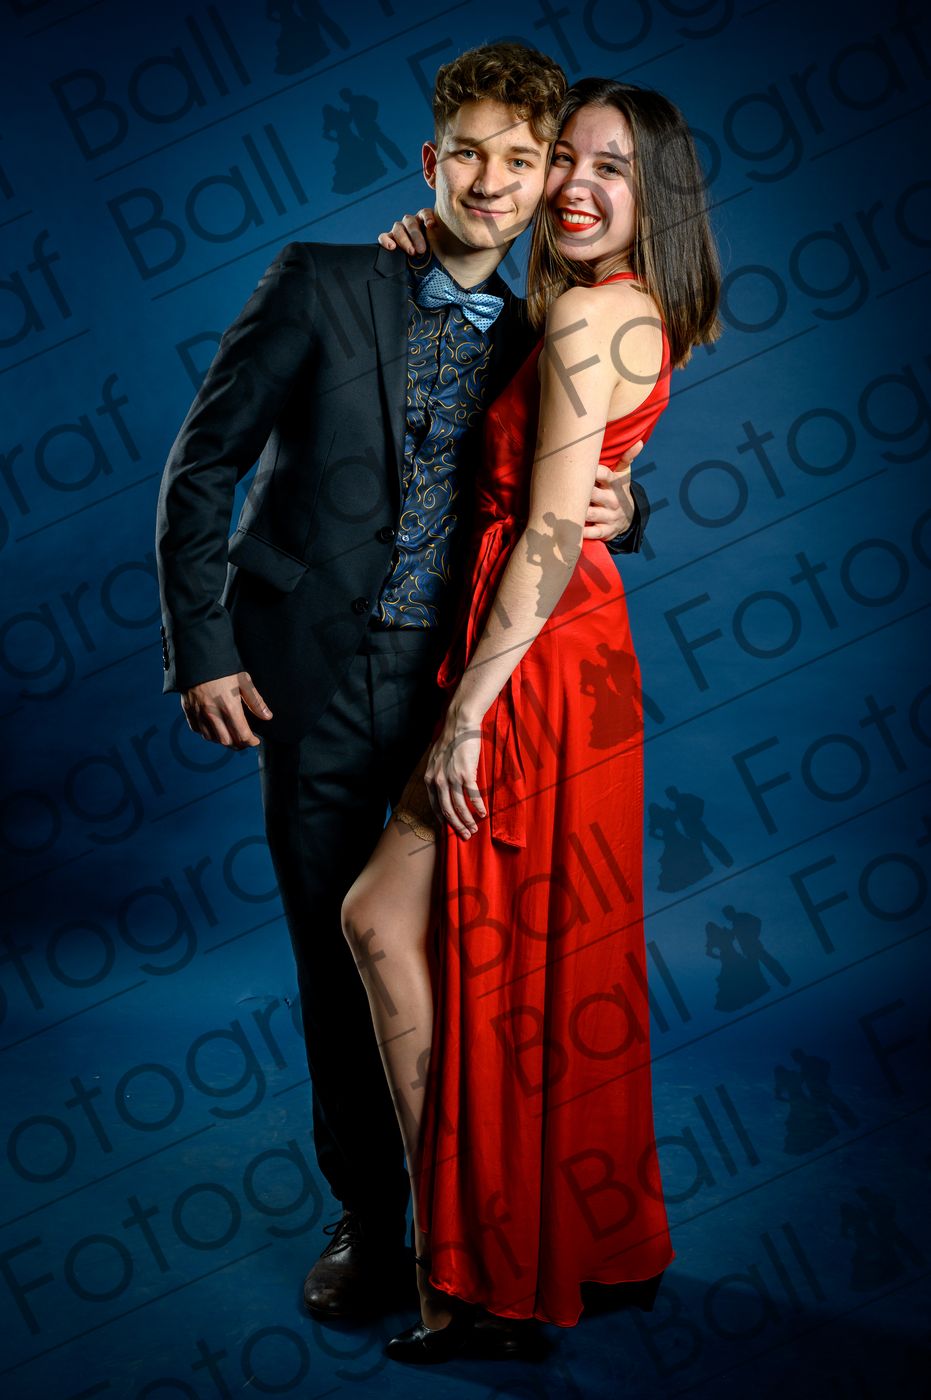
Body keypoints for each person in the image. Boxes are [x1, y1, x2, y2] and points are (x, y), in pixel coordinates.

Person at [154, 43, 647, 1356]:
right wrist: (203, 647)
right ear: (431, 162)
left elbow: (567, 480)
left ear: (543, 180)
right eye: (466, 154)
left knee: (475, 964)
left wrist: (630, 502)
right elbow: (203, 467)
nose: (492, 181)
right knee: (338, 954)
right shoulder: (322, 281)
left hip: (465, 690)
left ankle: (480, 1235)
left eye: (520, 160)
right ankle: (373, 1221)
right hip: (311, 682)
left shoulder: (552, 324)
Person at [350, 75, 722, 1361]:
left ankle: (475, 1271)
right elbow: (577, 489)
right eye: (564, 157)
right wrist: (432, 261)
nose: (571, 183)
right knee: (517, 958)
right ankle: (538, 1244)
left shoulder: (590, 316)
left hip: (536, 655)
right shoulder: (620, 309)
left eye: (609, 167)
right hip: (562, 644)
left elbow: (553, 530)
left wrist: (465, 712)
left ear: (653, 195)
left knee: (407, 926)